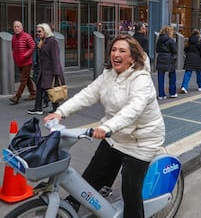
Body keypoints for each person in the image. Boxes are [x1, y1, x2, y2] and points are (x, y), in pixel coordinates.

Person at [44, 34, 165, 218]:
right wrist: (60, 112)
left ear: (132, 57)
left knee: (131, 192)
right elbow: (88, 94)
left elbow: (133, 110)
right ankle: (71, 208)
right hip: (116, 136)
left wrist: (107, 128)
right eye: (114, 50)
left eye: (122, 51)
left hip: (141, 141)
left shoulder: (141, 80)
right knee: (93, 174)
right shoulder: (108, 75)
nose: (116, 54)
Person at [27, 23, 65, 115]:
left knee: (52, 89)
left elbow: (55, 57)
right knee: (40, 88)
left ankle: (55, 108)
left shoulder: (52, 41)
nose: (38, 33)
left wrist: (56, 73)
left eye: (39, 31)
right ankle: (38, 108)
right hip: (43, 70)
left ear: (46, 31)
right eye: (37, 31)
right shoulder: (43, 41)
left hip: (51, 70)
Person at [9, 20, 36, 104]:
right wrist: (15, 57)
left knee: (23, 79)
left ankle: (17, 96)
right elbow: (13, 48)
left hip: (27, 62)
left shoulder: (27, 36)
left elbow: (33, 47)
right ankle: (33, 93)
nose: (16, 28)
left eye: (18, 26)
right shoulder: (13, 37)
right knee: (26, 78)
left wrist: (25, 55)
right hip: (19, 61)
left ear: (22, 27)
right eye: (15, 27)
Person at [180, 29, 201, 93]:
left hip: (189, 58)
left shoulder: (189, 40)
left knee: (187, 73)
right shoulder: (200, 41)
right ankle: (200, 86)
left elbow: (185, 49)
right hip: (197, 59)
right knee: (198, 73)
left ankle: (184, 86)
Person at [155, 26, 178, 99]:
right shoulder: (171, 40)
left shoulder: (159, 40)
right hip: (169, 59)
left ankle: (161, 94)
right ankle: (172, 93)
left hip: (160, 58)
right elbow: (175, 50)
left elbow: (157, 49)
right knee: (172, 75)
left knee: (160, 77)